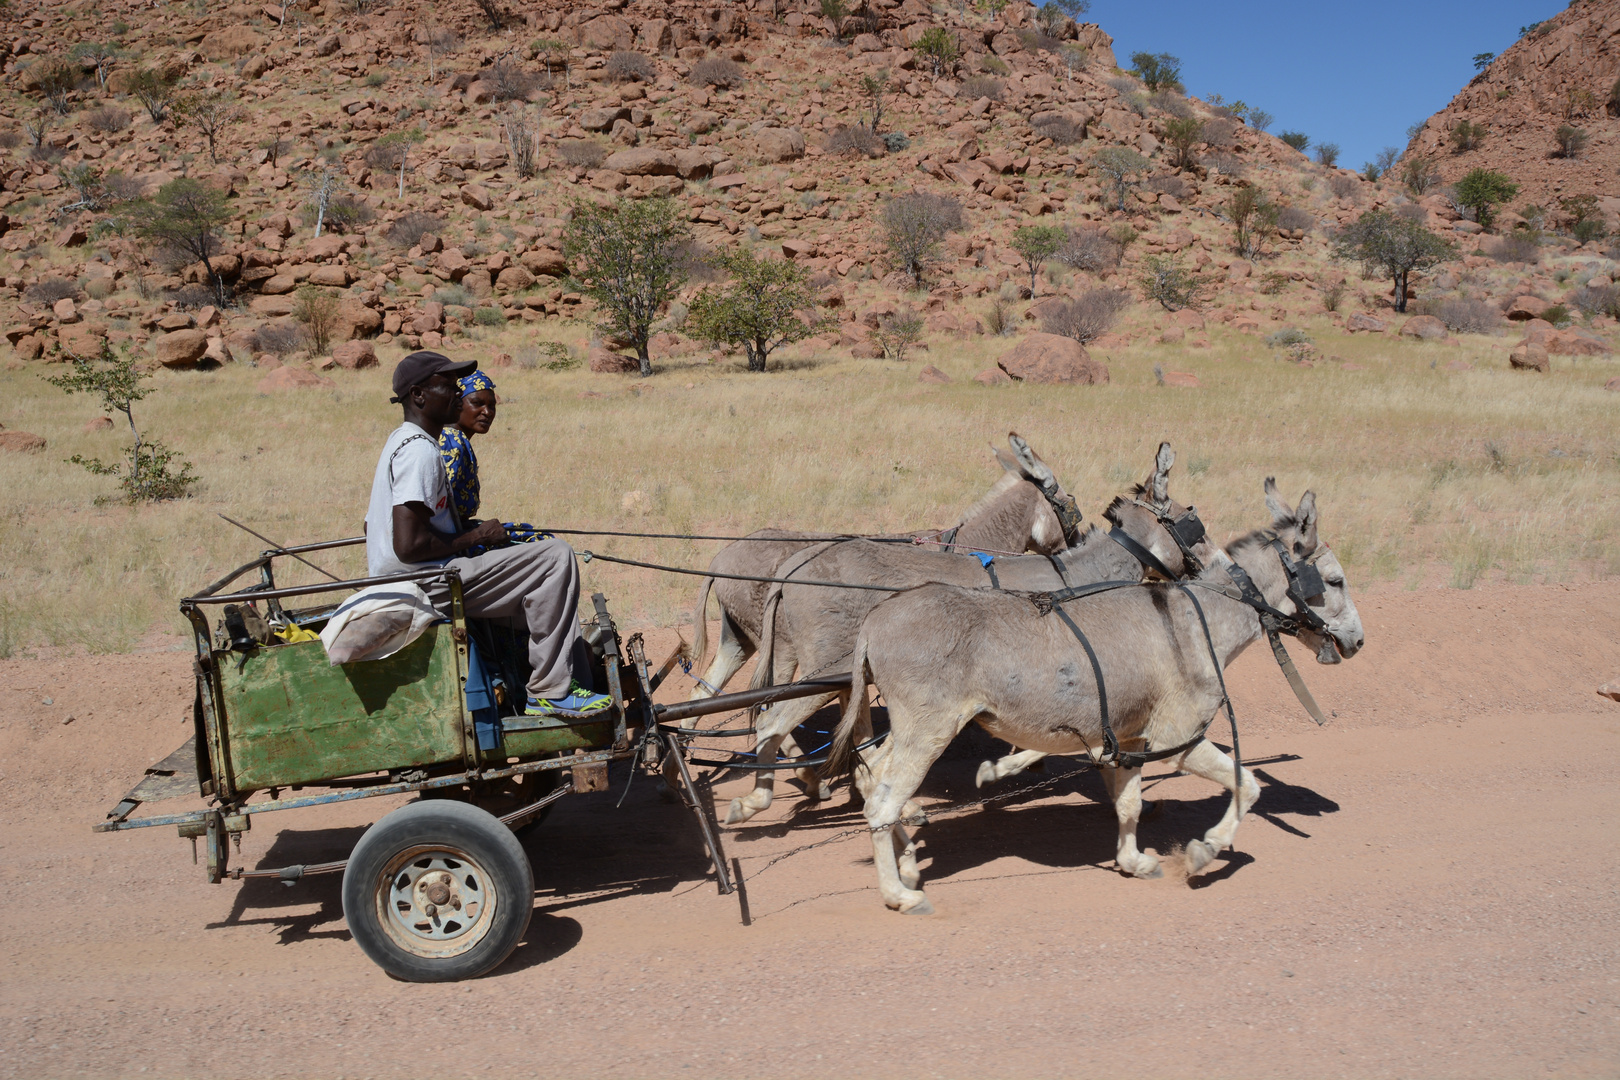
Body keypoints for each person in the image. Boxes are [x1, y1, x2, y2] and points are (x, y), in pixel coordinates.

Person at [365, 350, 609, 717]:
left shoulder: (403, 441)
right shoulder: (420, 452)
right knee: (555, 556)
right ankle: (550, 690)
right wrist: (476, 537)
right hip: (424, 582)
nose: (456, 391)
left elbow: (379, 527)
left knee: (536, 571)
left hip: (416, 577)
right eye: (447, 386)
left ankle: (528, 681)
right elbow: (409, 545)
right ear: (418, 396)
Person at [437, 370, 550, 555]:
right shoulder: (452, 442)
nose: (487, 412)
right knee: (540, 544)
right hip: (448, 544)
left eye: (492, 406)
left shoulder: (453, 438)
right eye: (477, 403)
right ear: (457, 403)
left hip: (456, 536)